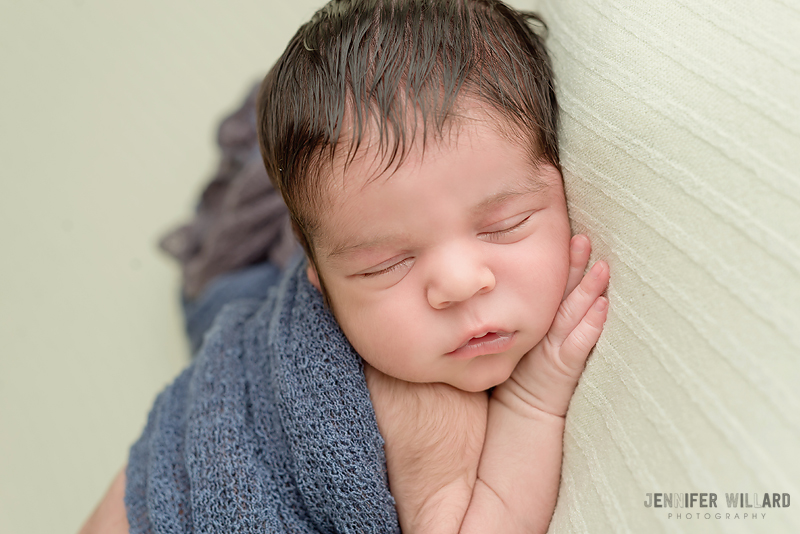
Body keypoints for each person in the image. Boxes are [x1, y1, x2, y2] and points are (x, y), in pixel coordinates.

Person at [80, 0, 609, 532]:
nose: (459, 283)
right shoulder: (431, 419)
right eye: (385, 264)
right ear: (320, 284)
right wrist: (533, 400)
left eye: (505, 224)